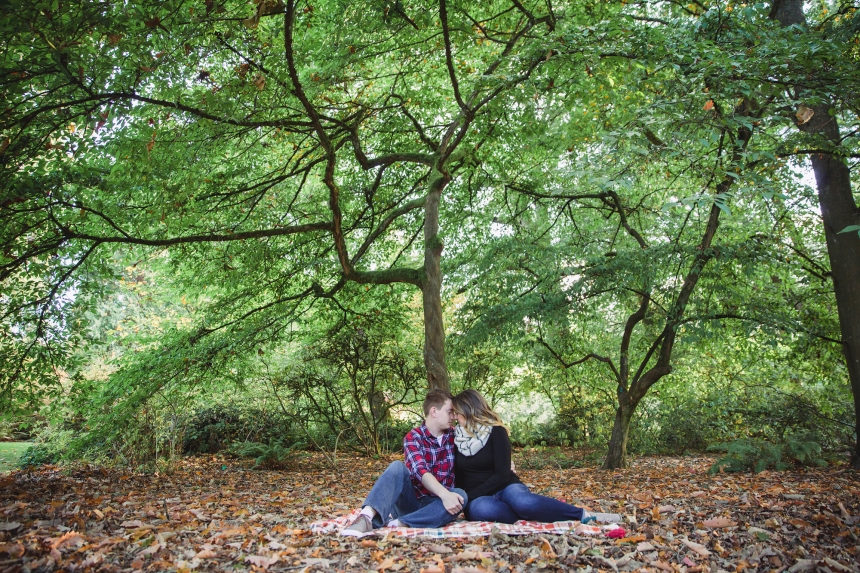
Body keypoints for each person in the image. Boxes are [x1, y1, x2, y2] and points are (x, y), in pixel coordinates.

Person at [452, 389, 592, 524]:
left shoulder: (497, 432)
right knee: (482, 509)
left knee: (523, 502)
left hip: (505, 486)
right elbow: (457, 474)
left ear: (468, 411)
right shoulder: (455, 437)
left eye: (457, 413)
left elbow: (502, 474)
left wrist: (470, 495)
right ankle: (527, 514)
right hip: (478, 497)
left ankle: (579, 514)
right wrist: (466, 498)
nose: (454, 417)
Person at [341, 390, 468, 537]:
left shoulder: (455, 435)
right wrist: (445, 494)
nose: (453, 416)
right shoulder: (413, 437)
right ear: (434, 411)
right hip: (411, 501)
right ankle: (365, 518)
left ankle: (402, 523)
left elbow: (478, 436)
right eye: (450, 411)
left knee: (460, 495)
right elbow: (421, 471)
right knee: (397, 467)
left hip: (437, 505)